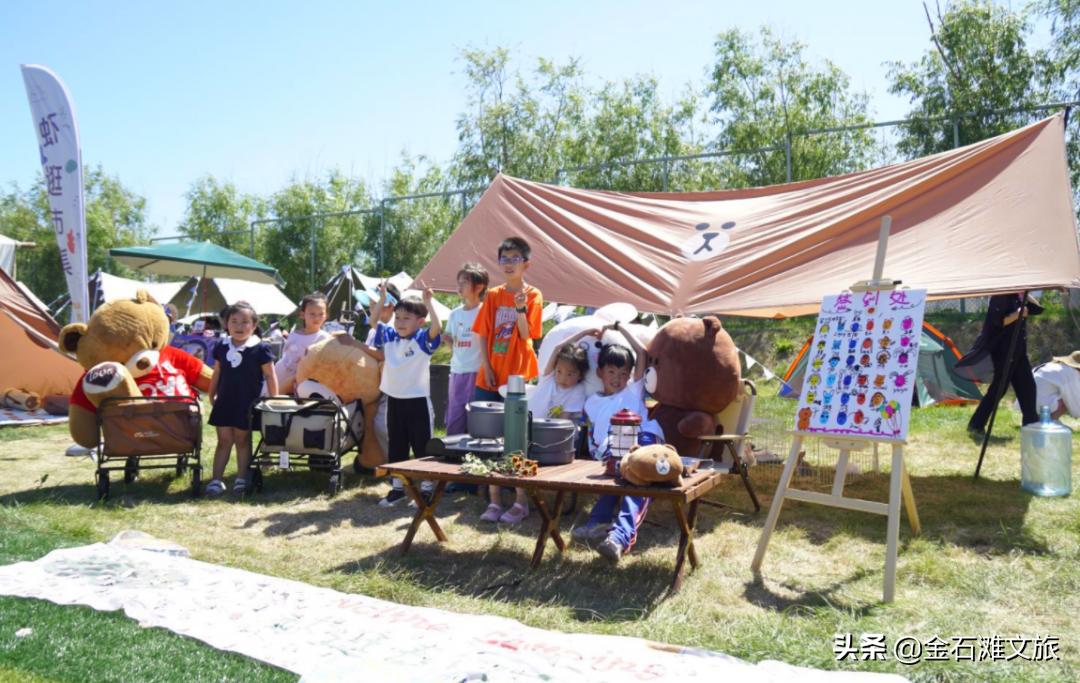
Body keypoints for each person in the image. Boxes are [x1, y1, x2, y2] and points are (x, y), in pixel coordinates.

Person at [572, 322, 664, 564]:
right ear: (600, 372)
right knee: (615, 474)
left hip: (642, 441)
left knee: (638, 479)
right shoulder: (591, 401)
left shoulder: (633, 391)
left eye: (624, 373)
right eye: (612, 372)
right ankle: (598, 522)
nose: (618, 378)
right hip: (611, 451)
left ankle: (620, 537)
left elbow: (642, 353)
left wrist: (619, 328)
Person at [479, 332, 594, 523]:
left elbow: (562, 425)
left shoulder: (577, 392)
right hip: (528, 431)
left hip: (553, 440)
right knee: (499, 453)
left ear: (580, 375)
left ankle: (520, 504)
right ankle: (495, 502)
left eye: (570, 373)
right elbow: (558, 349)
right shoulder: (548, 378)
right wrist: (583, 333)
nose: (563, 377)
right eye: (559, 371)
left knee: (519, 456)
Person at [472, 237, 543, 524]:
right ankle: (493, 500)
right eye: (504, 258)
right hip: (490, 374)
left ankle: (521, 501)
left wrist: (520, 309)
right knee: (489, 437)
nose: (509, 263)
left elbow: (527, 335)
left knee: (517, 439)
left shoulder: (533, 294)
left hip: (518, 375)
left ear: (526, 263)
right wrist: (486, 366)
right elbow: (484, 333)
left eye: (515, 258)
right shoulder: (491, 295)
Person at [363, 282, 442, 508]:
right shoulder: (389, 336)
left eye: (406, 318)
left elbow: (436, 328)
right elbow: (373, 321)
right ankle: (397, 489)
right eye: (397, 318)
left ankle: (426, 489)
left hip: (417, 403)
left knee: (422, 447)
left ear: (420, 322)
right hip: (394, 401)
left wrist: (429, 303)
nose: (400, 322)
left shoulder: (422, 339)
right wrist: (381, 300)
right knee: (396, 446)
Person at [206, 301, 278, 497]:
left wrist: (274, 399)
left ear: (254, 326)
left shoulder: (260, 348)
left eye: (245, 322)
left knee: (242, 439)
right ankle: (216, 480)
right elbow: (217, 372)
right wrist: (211, 393)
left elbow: (271, 376)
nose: (239, 326)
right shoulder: (221, 346)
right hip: (225, 402)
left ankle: (241, 478)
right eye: (234, 321)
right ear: (226, 324)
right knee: (223, 440)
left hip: (247, 403)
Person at [958, 292, 1043, 436]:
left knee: (1027, 387)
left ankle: (1031, 427)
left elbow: (1037, 309)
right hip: (1004, 351)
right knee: (999, 389)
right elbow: (997, 321)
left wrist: (1025, 293)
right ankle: (976, 424)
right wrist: (1018, 314)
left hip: (1019, 351)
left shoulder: (1019, 296)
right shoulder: (1001, 296)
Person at [444, 263, 489, 435]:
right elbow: (450, 340)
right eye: (459, 282)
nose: (460, 286)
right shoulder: (454, 314)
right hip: (457, 370)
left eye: (465, 282)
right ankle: (452, 449)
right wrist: (447, 339)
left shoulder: (485, 310)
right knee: (455, 413)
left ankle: (474, 453)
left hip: (477, 371)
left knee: (475, 414)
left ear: (479, 287)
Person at [363, 282, 403, 460]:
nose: (372, 306)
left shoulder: (397, 326)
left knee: (384, 425)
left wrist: (354, 345)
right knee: (372, 424)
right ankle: (377, 461)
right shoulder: (374, 330)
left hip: (393, 386)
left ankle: (394, 466)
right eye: (371, 302)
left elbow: (385, 356)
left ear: (390, 305)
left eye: (377, 301)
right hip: (375, 385)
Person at [275, 292, 331, 395]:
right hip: (283, 371)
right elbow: (286, 354)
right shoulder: (293, 334)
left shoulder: (325, 338)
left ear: (326, 315)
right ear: (302, 314)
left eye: (321, 314)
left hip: (306, 377)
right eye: (312, 314)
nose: (316, 318)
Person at [1031, 351, 1080, 419]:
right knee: (1066, 399)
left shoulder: (1053, 366)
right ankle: (1048, 423)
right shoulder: (1070, 373)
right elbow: (1076, 408)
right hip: (1038, 405)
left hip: (1024, 404)